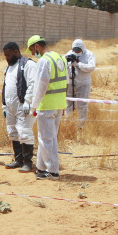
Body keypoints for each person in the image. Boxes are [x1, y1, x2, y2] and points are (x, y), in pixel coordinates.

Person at [26, 35, 68, 180]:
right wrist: (63, 105)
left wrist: (34, 106)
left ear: (37, 46)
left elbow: (41, 85)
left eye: (32, 49)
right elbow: (66, 83)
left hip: (47, 105)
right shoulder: (60, 58)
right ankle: (41, 167)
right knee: (49, 138)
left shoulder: (44, 61)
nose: (32, 53)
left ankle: (52, 170)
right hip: (59, 104)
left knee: (46, 139)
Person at [0, 42, 38, 172]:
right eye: (5, 56)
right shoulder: (9, 67)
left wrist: (28, 102)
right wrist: (4, 105)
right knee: (13, 132)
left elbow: (33, 85)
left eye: (8, 55)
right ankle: (18, 160)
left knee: (25, 132)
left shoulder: (28, 65)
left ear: (16, 52)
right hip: (10, 107)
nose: (7, 58)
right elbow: (6, 86)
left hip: (24, 106)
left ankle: (28, 162)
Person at [65, 38, 97, 129]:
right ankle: (68, 125)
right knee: (68, 105)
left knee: (82, 105)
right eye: (75, 50)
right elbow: (63, 65)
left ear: (82, 49)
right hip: (71, 83)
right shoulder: (69, 54)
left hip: (83, 83)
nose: (76, 52)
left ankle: (81, 127)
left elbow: (91, 67)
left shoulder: (89, 55)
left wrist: (78, 64)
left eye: (78, 50)